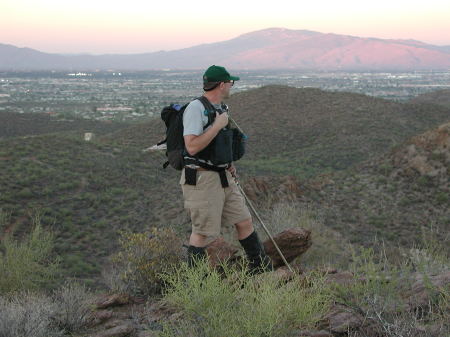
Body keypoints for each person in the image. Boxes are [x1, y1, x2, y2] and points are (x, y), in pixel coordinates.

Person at [181, 65, 272, 274]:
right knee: (202, 233)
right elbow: (192, 146)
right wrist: (217, 125)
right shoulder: (195, 108)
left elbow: (216, 145)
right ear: (221, 85)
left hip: (223, 175)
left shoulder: (221, 108)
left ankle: (260, 270)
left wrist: (227, 161)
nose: (232, 86)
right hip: (202, 179)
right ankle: (195, 285)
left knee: (244, 221)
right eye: (230, 82)